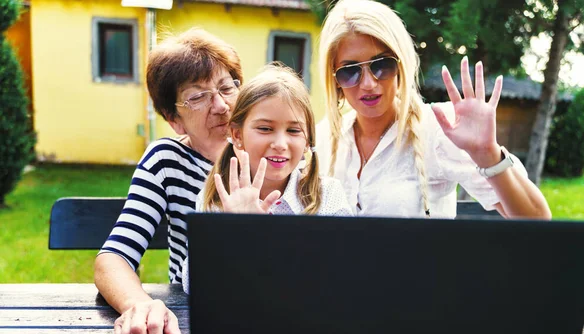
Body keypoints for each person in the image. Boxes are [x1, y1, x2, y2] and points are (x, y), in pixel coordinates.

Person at [317, 0, 552, 219]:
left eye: (382, 65)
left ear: (401, 64)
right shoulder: (321, 138)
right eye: (350, 71)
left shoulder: (439, 130)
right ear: (334, 78)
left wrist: (489, 155)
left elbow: (537, 218)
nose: (368, 83)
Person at [94, 28, 243, 334]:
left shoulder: (273, 150)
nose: (220, 106)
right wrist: (141, 306)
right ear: (174, 119)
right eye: (198, 97)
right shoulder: (166, 161)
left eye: (226, 88)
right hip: (192, 320)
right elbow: (113, 258)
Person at [182, 65, 353, 293]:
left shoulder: (327, 196)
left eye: (294, 131)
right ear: (237, 135)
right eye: (264, 128)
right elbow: (193, 284)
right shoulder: (219, 197)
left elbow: (345, 275)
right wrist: (234, 232)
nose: (280, 144)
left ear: (308, 140)